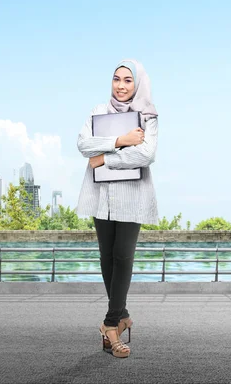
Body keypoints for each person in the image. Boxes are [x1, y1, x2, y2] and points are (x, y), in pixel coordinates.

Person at [76, 59, 159, 358]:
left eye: (128, 80)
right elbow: (84, 145)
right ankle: (121, 315)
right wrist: (121, 140)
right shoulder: (98, 112)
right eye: (116, 79)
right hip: (102, 195)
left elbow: (146, 154)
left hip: (132, 195)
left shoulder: (147, 116)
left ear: (137, 84)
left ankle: (110, 325)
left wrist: (106, 157)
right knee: (107, 257)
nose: (121, 86)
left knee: (123, 256)